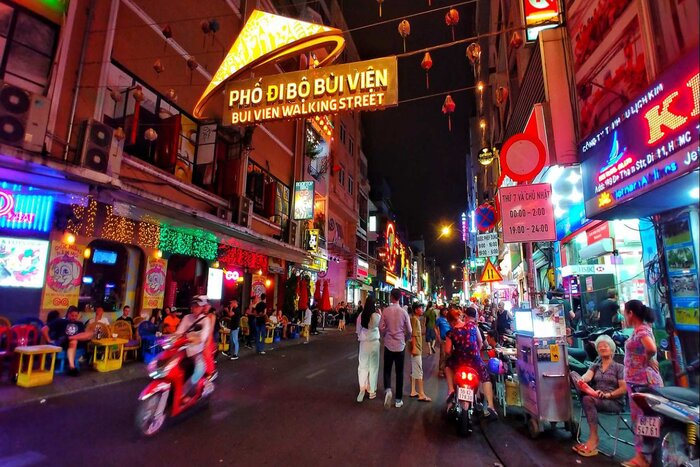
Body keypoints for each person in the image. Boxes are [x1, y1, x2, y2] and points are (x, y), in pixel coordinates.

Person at [622, 300, 663, 467]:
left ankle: (643, 457)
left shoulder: (641, 330)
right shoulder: (640, 330)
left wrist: (647, 359)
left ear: (631, 313)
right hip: (637, 381)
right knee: (644, 419)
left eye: (625, 313)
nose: (624, 316)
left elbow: (651, 348)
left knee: (642, 419)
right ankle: (646, 456)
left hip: (643, 382)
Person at [571, 334, 627, 457]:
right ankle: (587, 393)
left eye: (605, 346)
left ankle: (593, 438)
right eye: (600, 347)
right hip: (596, 397)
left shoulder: (619, 367)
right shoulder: (596, 365)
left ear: (611, 349)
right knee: (574, 376)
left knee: (587, 399)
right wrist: (582, 380)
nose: (602, 348)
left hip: (613, 401)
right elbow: (587, 376)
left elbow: (624, 388)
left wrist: (608, 395)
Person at [445, 307, 497, 418]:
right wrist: (476, 353)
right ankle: (491, 406)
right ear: (460, 316)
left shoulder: (451, 332)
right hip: (474, 360)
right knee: (485, 377)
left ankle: (451, 390)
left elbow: (447, 351)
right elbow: (480, 343)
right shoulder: (473, 326)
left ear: (450, 321)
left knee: (447, 367)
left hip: (459, 361)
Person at [379, 288, 412, 409]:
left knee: (387, 370)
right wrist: (405, 338)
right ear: (400, 298)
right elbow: (409, 330)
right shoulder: (403, 312)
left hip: (388, 344)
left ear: (391, 297)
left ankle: (388, 389)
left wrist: (385, 334)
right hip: (400, 345)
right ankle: (398, 399)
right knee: (399, 372)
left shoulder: (386, 311)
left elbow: (381, 327)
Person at [176, 295, 213, 400]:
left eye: (197, 306)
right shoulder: (186, 318)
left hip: (195, 352)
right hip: (182, 350)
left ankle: (183, 393)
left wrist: (195, 339)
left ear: (202, 308)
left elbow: (203, 337)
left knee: (199, 370)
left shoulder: (205, 320)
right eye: (193, 306)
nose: (194, 308)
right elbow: (178, 332)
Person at [42, 306, 92, 376]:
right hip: (63, 342)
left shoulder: (79, 324)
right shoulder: (60, 321)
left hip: (75, 342)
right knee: (74, 341)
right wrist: (48, 340)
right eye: (72, 315)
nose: (74, 317)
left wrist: (71, 338)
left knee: (90, 333)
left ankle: (69, 338)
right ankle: (72, 367)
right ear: (68, 314)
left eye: (76, 316)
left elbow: (83, 335)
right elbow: (44, 329)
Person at [356, 297, 381, 402]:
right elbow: (381, 325)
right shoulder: (376, 316)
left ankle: (362, 388)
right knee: (373, 367)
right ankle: (372, 391)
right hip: (374, 343)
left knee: (363, 366)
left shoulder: (361, 316)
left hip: (364, 343)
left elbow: (358, 330)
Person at [409, 303, 431, 402]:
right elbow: (413, 335)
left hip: (416, 348)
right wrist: (414, 347)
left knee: (414, 370)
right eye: (420, 308)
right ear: (416, 310)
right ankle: (421, 394)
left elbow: (416, 334)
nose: (422, 310)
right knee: (419, 371)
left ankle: (413, 391)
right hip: (416, 349)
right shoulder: (414, 319)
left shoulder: (416, 319)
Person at [435, 307, 452, 378]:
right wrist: (438, 336)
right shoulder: (439, 319)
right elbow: (435, 327)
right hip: (443, 339)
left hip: (450, 340)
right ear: (442, 312)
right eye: (444, 311)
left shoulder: (450, 320)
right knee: (442, 355)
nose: (445, 312)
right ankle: (441, 370)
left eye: (446, 311)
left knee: (449, 356)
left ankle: (446, 370)